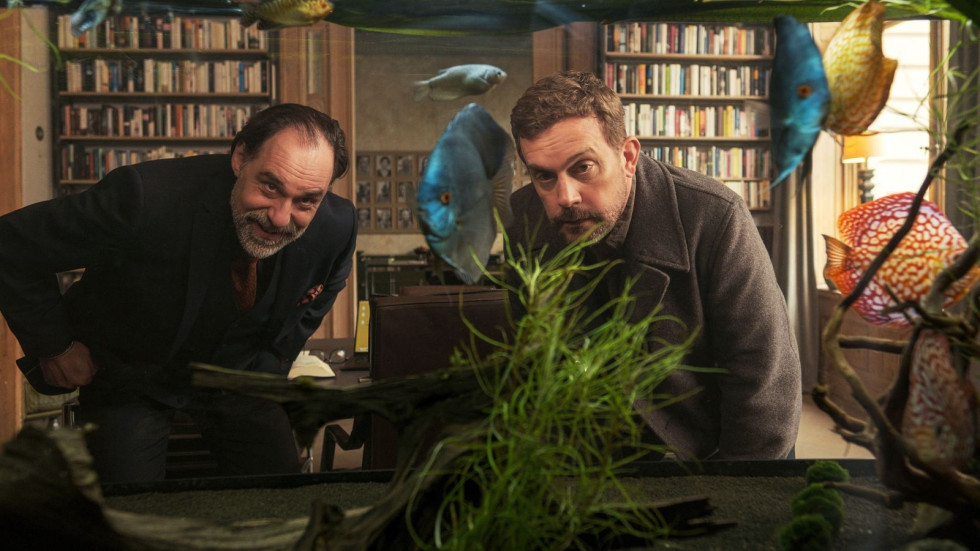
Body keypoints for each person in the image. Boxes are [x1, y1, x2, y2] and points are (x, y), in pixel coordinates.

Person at [0, 103, 357, 483]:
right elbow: (11, 244)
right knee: (128, 506)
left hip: (239, 377)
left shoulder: (336, 225)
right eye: (270, 186)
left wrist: (270, 363)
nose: (281, 218)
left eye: (306, 201)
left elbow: (326, 287)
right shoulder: (145, 197)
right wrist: (55, 346)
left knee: (281, 493)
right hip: (132, 376)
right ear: (240, 157)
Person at [506, 71, 801, 460]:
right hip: (594, 459)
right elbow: (527, 370)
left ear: (628, 157)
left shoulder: (716, 216)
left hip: (712, 457)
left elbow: (765, 387)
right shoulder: (524, 219)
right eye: (544, 176)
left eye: (583, 167)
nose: (566, 197)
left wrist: (732, 489)